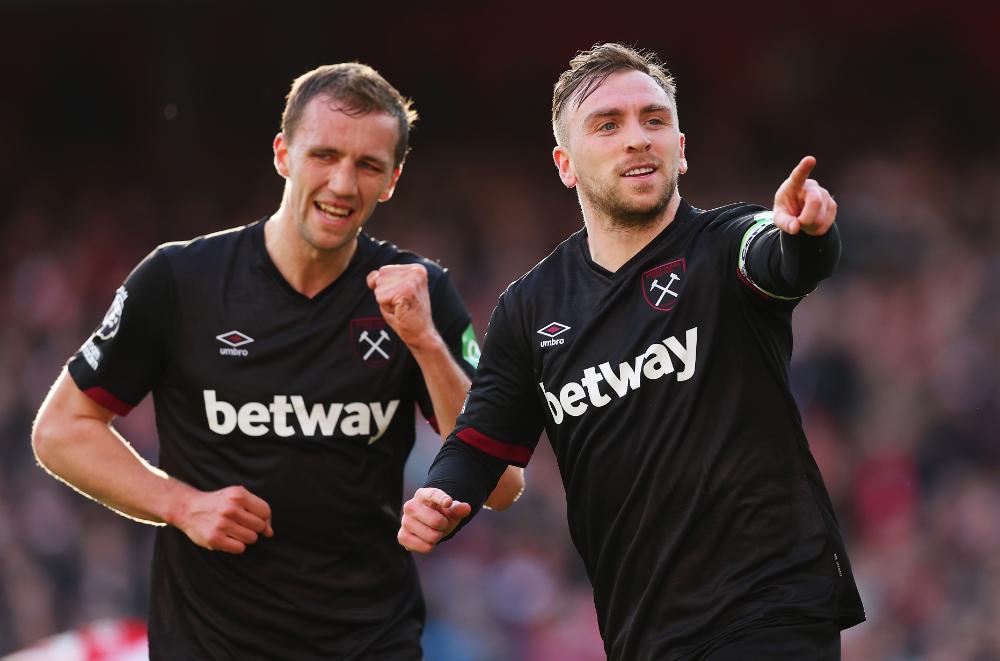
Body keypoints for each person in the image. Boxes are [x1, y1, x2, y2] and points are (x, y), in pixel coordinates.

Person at [31, 62, 524, 660]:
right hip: (208, 645)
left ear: (392, 179)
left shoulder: (419, 293)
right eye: (325, 155)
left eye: (368, 165)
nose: (343, 183)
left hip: (367, 644)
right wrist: (180, 504)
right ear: (283, 154)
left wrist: (424, 341)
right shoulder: (179, 280)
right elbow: (60, 430)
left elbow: (500, 484)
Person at [397, 43, 865, 660]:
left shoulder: (726, 245)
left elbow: (781, 260)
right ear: (565, 164)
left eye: (654, 119)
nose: (638, 137)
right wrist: (441, 494)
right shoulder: (529, 308)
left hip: (770, 609)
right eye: (608, 125)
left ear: (681, 146)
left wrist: (807, 234)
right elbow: (481, 446)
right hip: (643, 631)